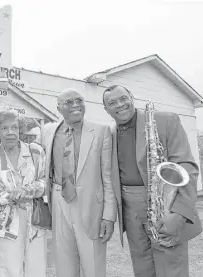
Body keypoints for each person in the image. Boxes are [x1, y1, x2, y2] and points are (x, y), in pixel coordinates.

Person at [103, 84, 203, 277]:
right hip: (130, 210)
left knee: (171, 269)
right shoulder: (109, 134)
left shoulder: (165, 120)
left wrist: (179, 214)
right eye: (112, 102)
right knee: (142, 268)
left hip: (165, 206)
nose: (120, 105)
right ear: (106, 109)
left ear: (132, 97)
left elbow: (187, 169)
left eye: (123, 98)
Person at [36, 88, 117, 277]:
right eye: (68, 102)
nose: (75, 105)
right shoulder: (48, 131)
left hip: (91, 205)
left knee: (93, 265)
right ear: (58, 108)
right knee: (63, 263)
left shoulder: (101, 131)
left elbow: (108, 177)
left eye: (79, 100)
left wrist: (109, 215)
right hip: (58, 200)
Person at [0, 109, 48, 277]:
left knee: (37, 267)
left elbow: (45, 181)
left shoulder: (36, 152)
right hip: (6, 220)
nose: (10, 132)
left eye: (14, 127)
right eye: (4, 128)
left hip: (35, 218)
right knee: (8, 268)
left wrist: (27, 190)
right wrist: (8, 196)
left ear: (20, 129)